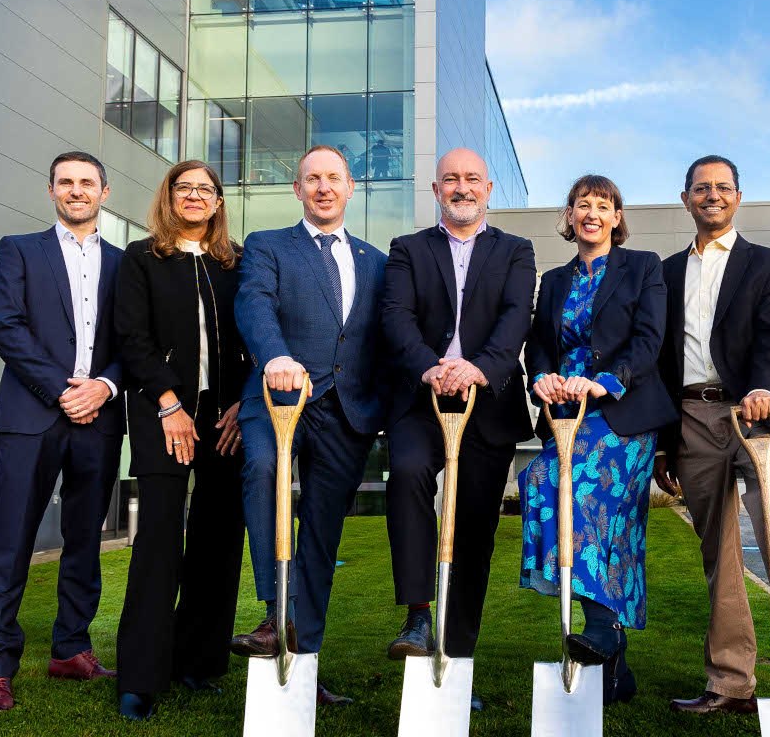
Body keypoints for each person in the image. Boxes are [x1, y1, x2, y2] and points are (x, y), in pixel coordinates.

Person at [655, 154, 770, 715]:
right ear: (686, 198)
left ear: (738, 197)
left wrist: (763, 387)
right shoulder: (663, 273)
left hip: (753, 412)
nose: (712, 195)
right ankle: (732, 682)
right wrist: (666, 440)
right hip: (691, 417)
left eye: (723, 187)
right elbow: (660, 358)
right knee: (720, 547)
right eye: (701, 187)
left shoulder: (768, 265)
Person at [229, 145, 388, 706]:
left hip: (346, 412)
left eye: (334, 178)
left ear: (351, 188)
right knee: (263, 468)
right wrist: (274, 354)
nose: (323, 187)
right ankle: (274, 614)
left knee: (322, 532)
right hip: (278, 395)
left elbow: (379, 337)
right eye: (312, 179)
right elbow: (254, 304)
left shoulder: (376, 261)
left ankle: (305, 658)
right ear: (297, 190)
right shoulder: (268, 245)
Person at [381, 147, 535, 709]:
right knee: (411, 474)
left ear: (488, 189)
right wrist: (430, 367)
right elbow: (394, 316)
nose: (461, 187)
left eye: (472, 179)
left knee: (474, 530)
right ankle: (418, 616)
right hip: (421, 400)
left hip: (486, 404)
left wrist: (479, 368)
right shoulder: (408, 250)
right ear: (436, 189)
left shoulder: (516, 251)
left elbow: (517, 316)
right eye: (451, 179)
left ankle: (458, 656)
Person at [0, 151, 124, 712]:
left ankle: (71, 650)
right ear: (51, 190)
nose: (77, 190)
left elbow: (133, 338)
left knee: (85, 542)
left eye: (87, 182)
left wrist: (104, 386)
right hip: (30, 417)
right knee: (10, 542)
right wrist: (63, 390)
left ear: (104, 193)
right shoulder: (18, 250)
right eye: (66, 182)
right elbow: (6, 328)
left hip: (100, 420)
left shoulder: (122, 263)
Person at [520, 175, 676, 705]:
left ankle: (604, 634)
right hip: (567, 414)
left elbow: (649, 340)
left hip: (624, 411)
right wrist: (541, 378)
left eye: (602, 205)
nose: (591, 212)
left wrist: (604, 380)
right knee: (546, 483)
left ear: (616, 217)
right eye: (582, 204)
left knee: (584, 501)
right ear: (569, 216)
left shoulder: (642, 267)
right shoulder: (556, 278)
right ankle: (613, 653)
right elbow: (539, 345)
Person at [112, 160, 250, 720]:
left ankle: (198, 661)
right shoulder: (140, 258)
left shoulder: (236, 262)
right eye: (184, 188)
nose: (194, 197)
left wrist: (243, 403)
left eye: (205, 190)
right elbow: (131, 337)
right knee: (159, 545)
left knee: (218, 542)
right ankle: (140, 678)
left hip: (226, 419)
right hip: (159, 414)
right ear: (168, 197)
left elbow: (255, 332)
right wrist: (169, 403)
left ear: (218, 202)